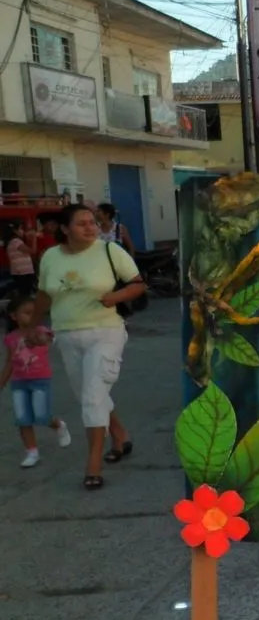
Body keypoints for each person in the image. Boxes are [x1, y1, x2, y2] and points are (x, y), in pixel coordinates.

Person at [34, 204, 144, 489]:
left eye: (93, 222)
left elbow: (138, 284)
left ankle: (93, 464)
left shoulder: (109, 251)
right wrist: (30, 326)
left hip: (105, 332)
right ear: (64, 229)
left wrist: (116, 297)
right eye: (82, 223)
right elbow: (45, 295)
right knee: (90, 395)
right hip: (66, 334)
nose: (90, 227)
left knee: (93, 397)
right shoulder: (50, 257)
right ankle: (120, 435)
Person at [0, 294, 72, 468]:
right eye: (26, 313)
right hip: (19, 382)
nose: (30, 316)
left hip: (40, 380)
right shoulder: (11, 338)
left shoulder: (40, 331)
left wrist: (42, 338)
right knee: (22, 418)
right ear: (13, 316)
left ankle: (58, 425)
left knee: (41, 416)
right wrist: (2, 382)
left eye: (34, 313)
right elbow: (10, 361)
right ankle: (32, 452)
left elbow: (49, 339)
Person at [4, 222, 37, 296]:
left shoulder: (10, 242)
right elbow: (33, 250)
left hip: (18, 272)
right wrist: (34, 238)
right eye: (21, 229)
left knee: (22, 292)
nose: (23, 231)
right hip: (23, 272)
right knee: (25, 293)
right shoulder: (16, 241)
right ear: (15, 231)